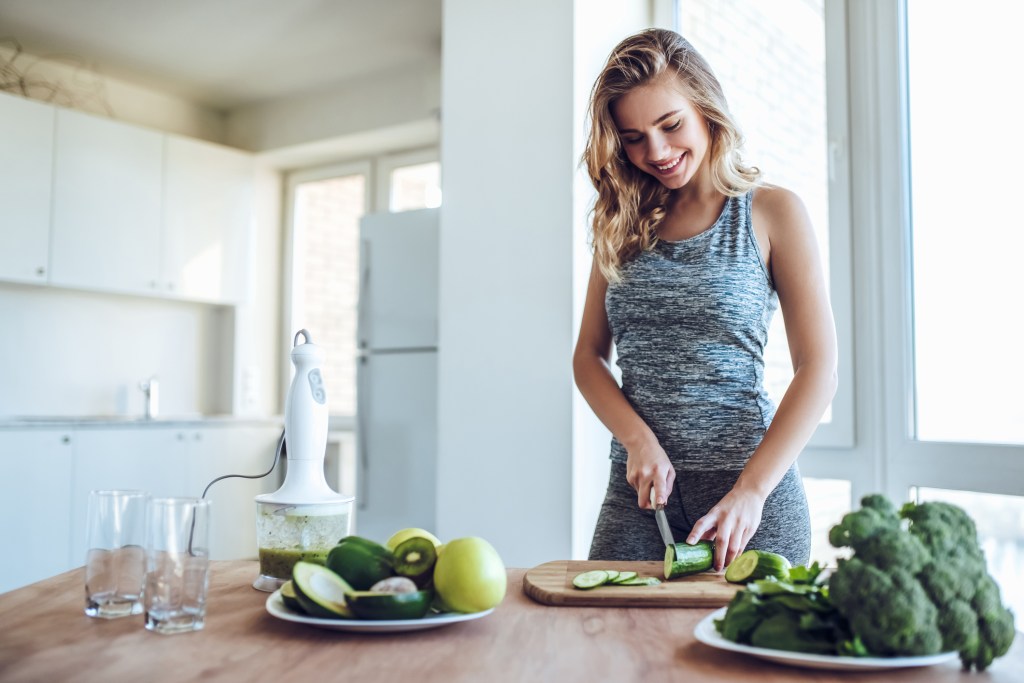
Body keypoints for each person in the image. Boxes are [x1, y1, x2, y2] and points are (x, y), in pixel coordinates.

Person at [574, 28, 838, 571]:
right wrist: (637, 440)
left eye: (671, 126)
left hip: (748, 497)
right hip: (639, 498)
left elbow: (820, 367)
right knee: (611, 649)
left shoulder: (772, 213)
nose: (658, 152)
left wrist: (753, 491)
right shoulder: (617, 224)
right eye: (633, 137)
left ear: (705, 109)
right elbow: (588, 358)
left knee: (747, 656)